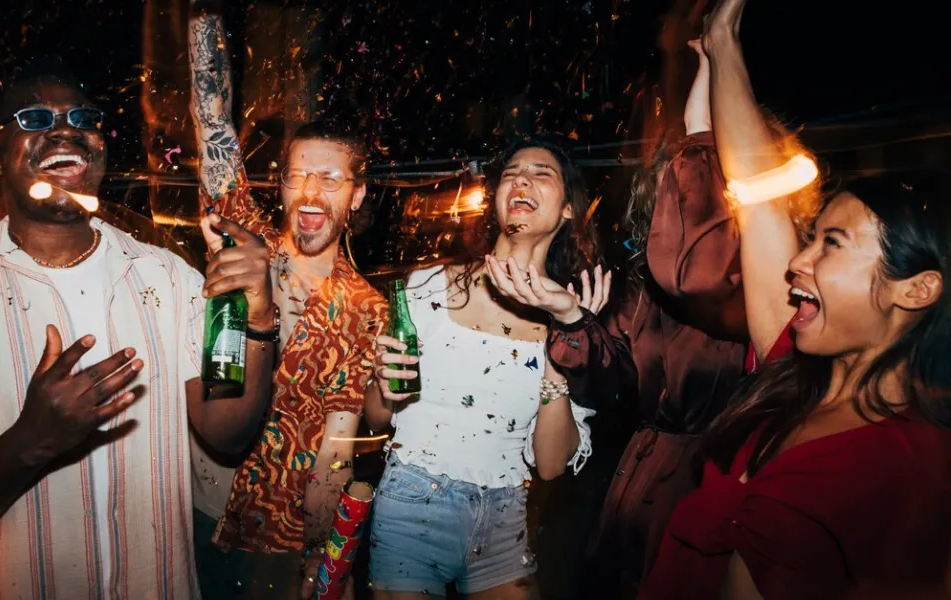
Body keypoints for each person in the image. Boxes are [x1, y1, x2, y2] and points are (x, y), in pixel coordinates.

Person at [0, 58, 278, 599]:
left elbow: (225, 431)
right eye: (36, 119)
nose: (66, 129)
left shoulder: (166, 275)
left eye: (82, 117)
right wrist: (33, 441)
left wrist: (257, 320)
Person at [639, 0, 951, 597]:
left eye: (830, 244)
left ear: (917, 287)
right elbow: (756, 201)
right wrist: (725, 39)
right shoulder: (791, 373)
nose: (797, 261)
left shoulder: (913, 470)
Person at [366, 136, 624, 599]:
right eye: (511, 173)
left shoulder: (573, 316)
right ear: (497, 199)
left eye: (542, 173)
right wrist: (384, 384)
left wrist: (563, 349)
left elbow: (549, 465)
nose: (522, 178)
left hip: (506, 515)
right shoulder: (427, 286)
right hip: (412, 501)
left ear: (567, 209)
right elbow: (377, 417)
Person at [187, 5, 387, 598]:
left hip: (278, 543)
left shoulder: (365, 309)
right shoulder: (244, 242)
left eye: (331, 179)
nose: (311, 191)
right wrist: (202, 18)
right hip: (197, 513)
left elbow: (339, 448)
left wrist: (323, 566)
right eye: (299, 175)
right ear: (281, 185)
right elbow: (213, 125)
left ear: (356, 196)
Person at [579, 36, 752, 597]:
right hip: (638, 478)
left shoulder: (751, 278)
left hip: (703, 483)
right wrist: (572, 324)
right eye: (667, 186)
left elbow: (697, 269)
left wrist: (707, 112)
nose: (673, 196)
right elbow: (611, 382)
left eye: (687, 184)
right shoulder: (640, 287)